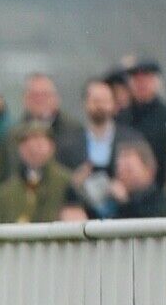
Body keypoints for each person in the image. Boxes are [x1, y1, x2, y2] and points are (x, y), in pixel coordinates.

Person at [58, 79, 141, 218]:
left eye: (105, 101)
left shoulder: (132, 140)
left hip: (124, 217)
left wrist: (125, 193)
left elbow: (144, 181)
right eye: (95, 101)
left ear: (114, 104)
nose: (100, 106)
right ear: (85, 103)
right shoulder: (68, 144)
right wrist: (73, 183)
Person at [0, 73, 76, 182]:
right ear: (24, 99)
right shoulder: (11, 136)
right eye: (34, 95)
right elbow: (3, 175)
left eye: (44, 95)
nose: (39, 100)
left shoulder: (74, 130)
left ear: (56, 98)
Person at [118, 60, 166, 186]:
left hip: (162, 189)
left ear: (156, 83)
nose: (141, 84)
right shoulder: (120, 118)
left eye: (146, 80)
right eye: (137, 80)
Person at [0, 122, 74, 224]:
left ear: (52, 146)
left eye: (39, 144)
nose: (33, 149)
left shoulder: (67, 183)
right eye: (26, 144)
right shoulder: (5, 192)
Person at [108, 138, 166, 219]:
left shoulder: (163, 206)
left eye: (129, 169)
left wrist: (125, 205)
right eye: (119, 170)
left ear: (149, 170)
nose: (123, 176)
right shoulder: (114, 202)